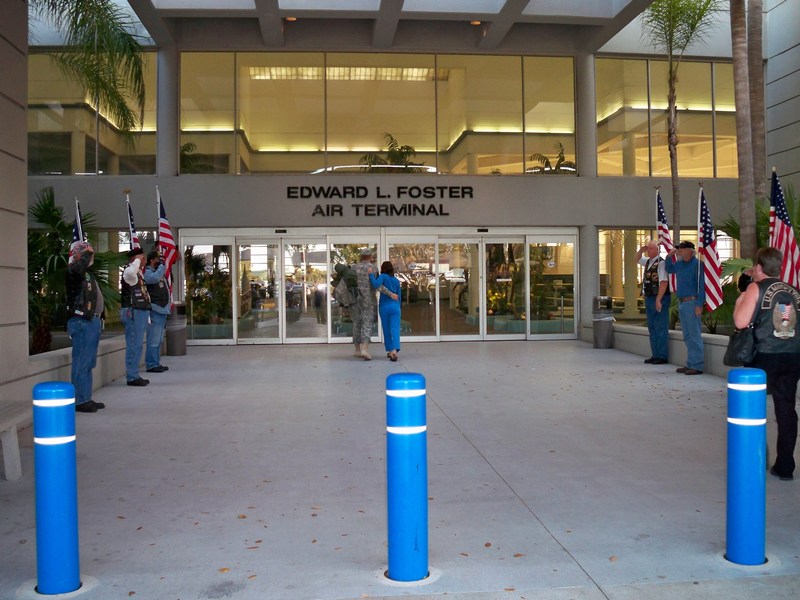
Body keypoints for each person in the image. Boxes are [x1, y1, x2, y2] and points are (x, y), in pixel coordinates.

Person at [734, 247, 800, 481]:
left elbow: (740, 322)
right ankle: (785, 466)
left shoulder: (756, 288)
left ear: (759, 267)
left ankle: (755, 459)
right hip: (792, 355)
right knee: (786, 409)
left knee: (753, 408)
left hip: (764, 355)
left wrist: (742, 298)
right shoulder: (793, 291)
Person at [65, 241, 106, 413]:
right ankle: (80, 400)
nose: (91, 256)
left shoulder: (87, 274)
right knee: (82, 361)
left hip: (91, 321)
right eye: (87, 254)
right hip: (81, 321)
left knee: (88, 362)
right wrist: (84, 253)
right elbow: (77, 268)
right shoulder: (73, 271)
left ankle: (86, 397)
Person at [664, 240, 705, 375]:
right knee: (687, 335)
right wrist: (669, 256)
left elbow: (701, 285)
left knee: (694, 334)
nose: (679, 251)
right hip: (682, 302)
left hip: (692, 302)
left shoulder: (698, 265)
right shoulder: (679, 264)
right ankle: (690, 363)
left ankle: (697, 365)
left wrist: (699, 304)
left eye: (682, 248)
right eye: (679, 249)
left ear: (690, 251)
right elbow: (669, 268)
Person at [635, 239, 670, 364]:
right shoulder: (648, 262)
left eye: (651, 248)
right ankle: (655, 354)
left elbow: (663, 282)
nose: (648, 251)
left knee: (660, 326)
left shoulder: (661, 263)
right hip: (649, 297)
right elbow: (636, 258)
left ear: (657, 249)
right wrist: (641, 250)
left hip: (659, 297)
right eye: (648, 248)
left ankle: (662, 355)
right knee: (652, 327)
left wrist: (659, 299)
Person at [121, 247, 151, 386]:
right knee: (134, 344)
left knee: (138, 344)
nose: (144, 261)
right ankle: (132, 376)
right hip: (133, 311)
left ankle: (134, 374)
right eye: (141, 258)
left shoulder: (139, 273)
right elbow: (130, 273)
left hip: (141, 310)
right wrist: (137, 261)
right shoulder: (129, 271)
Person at [143, 250, 170, 374]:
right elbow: (153, 279)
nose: (160, 261)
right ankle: (151, 364)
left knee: (159, 339)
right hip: (155, 309)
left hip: (163, 309)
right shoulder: (148, 272)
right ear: (152, 260)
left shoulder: (159, 272)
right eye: (158, 259)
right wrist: (161, 268)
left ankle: (156, 362)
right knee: (153, 339)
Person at [370, 261, 402, 361]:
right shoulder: (396, 281)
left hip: (384, 306)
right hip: (395, 306)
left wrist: (371, 275)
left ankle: (390, 350)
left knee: (386, 328)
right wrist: (399, 307)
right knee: (395, 329)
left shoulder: (383, 276)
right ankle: (395, 350)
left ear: (383, 268)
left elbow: (375, 284)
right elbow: (399, 297)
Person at [351, 247, 378, 360]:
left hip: (355, 300)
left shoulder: (354, 268)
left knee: (356, 323)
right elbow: (375, 283)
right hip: (369, 300)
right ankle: (365, 349)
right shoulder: (373, 268)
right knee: (367, 323)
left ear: (361, 257)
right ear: (370, 257)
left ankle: (357, 350)